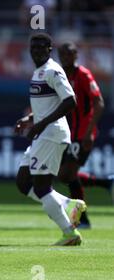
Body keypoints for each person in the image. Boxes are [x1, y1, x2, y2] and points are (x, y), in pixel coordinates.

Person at [14, 33, 86, 246]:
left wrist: (41, 124)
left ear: (49, 49)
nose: (35, 51)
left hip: (52, 133)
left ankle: (69, 233)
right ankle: (68, 204)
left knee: (41, 187)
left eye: (40, 48)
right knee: (22, 181)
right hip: (42, 133)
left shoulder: (53, 70)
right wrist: (29, 119)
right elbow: (47, 107)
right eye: (32, 48)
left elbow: (70, 101)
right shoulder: (38, 72)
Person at [57, 42, 113, 229]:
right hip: (66, 133)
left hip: (82, 133)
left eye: (69, 54)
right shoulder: (59, 75)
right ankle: (106, 182)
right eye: (63, 54)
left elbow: (99, 103)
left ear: (76, 55)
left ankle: (83, 220)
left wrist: (89, 133)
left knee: (68, 174)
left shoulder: (83, 75)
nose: (66, 57)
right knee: (63, 174)